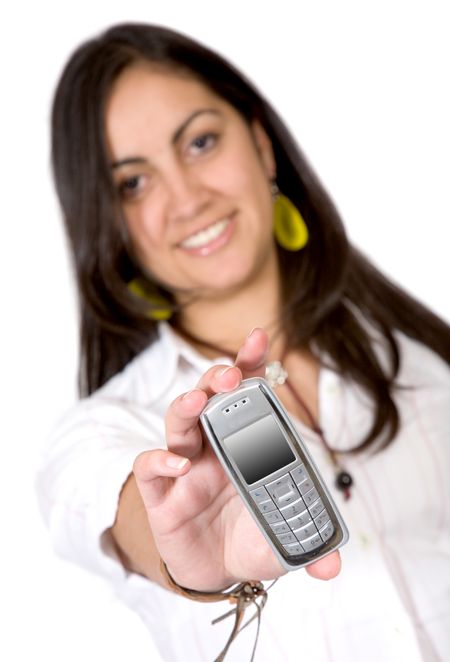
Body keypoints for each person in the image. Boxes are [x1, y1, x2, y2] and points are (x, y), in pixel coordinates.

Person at [36, 22, 450, 662]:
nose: (187, 199)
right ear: (110, 222)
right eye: (134, 183)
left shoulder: (424, 362)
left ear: (261, 145)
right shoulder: (100, 431)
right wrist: (189, 561)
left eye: (200, 142)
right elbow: (124, 509)